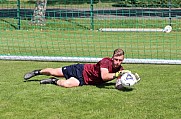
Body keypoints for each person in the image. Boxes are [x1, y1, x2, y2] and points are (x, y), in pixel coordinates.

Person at [24, 48, 138, 88]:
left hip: (83, 80)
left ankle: (53, 81)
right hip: (80, 69)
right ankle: (37, 72)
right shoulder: (105, 61)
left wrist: (128, 82)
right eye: (116, 59)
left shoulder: (120, 69)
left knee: (66, 84)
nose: (117, 62)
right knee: (53, 71)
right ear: (112, 57)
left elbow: (118, 85)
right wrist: (118, 75)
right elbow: (104, 76)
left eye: (120, 60)